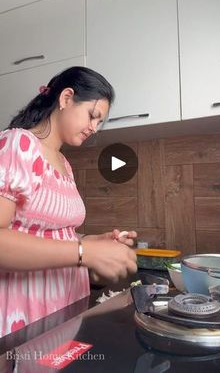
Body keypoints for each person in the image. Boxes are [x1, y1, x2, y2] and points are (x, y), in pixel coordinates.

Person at [0, 66, 137, 337]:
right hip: (23, 313)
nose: (94, 128)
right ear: (65, 98)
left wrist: (94, 241)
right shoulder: (17, 144)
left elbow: (50, 233)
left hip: (63, 309)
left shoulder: (63, 162)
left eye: (100, 123)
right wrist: (84, 252)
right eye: (93, 116)